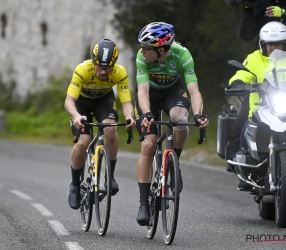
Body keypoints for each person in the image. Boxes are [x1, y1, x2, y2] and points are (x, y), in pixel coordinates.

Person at [134, 22, 209, 226]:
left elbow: (194, 91)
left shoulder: (182, 55)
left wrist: (199, 115)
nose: (142, 51)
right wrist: (147, 112)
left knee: (181, 119)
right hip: (150, 94)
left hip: (172, 92)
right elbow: (142, 92)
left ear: (161, 49)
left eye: (146, 48)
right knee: (148, 145)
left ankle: (173, 162)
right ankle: (143, 203)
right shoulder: (142, 57)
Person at [64, 38, 135, 210]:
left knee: (110, 128)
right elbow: (69, 101)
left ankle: (110, 176)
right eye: (100, 66)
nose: (104, 71)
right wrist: (76, 116)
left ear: (114, 64)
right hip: (82, 104)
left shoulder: (120, 72)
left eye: (108, 67)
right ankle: (74, 185)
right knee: (83, 141)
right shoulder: (82, 70)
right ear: (93, 62)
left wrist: (130, 117)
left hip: (103, 101)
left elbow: (126, 102)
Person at [227, 21, 286, 190]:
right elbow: (241, 73)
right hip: (260, 110)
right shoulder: (254, 59)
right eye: (270, 44)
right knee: (244, 132)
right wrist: (238, 83)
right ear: (263, 44)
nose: (274, 47)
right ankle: (247, 170)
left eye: (278, 43)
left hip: (283, 110)